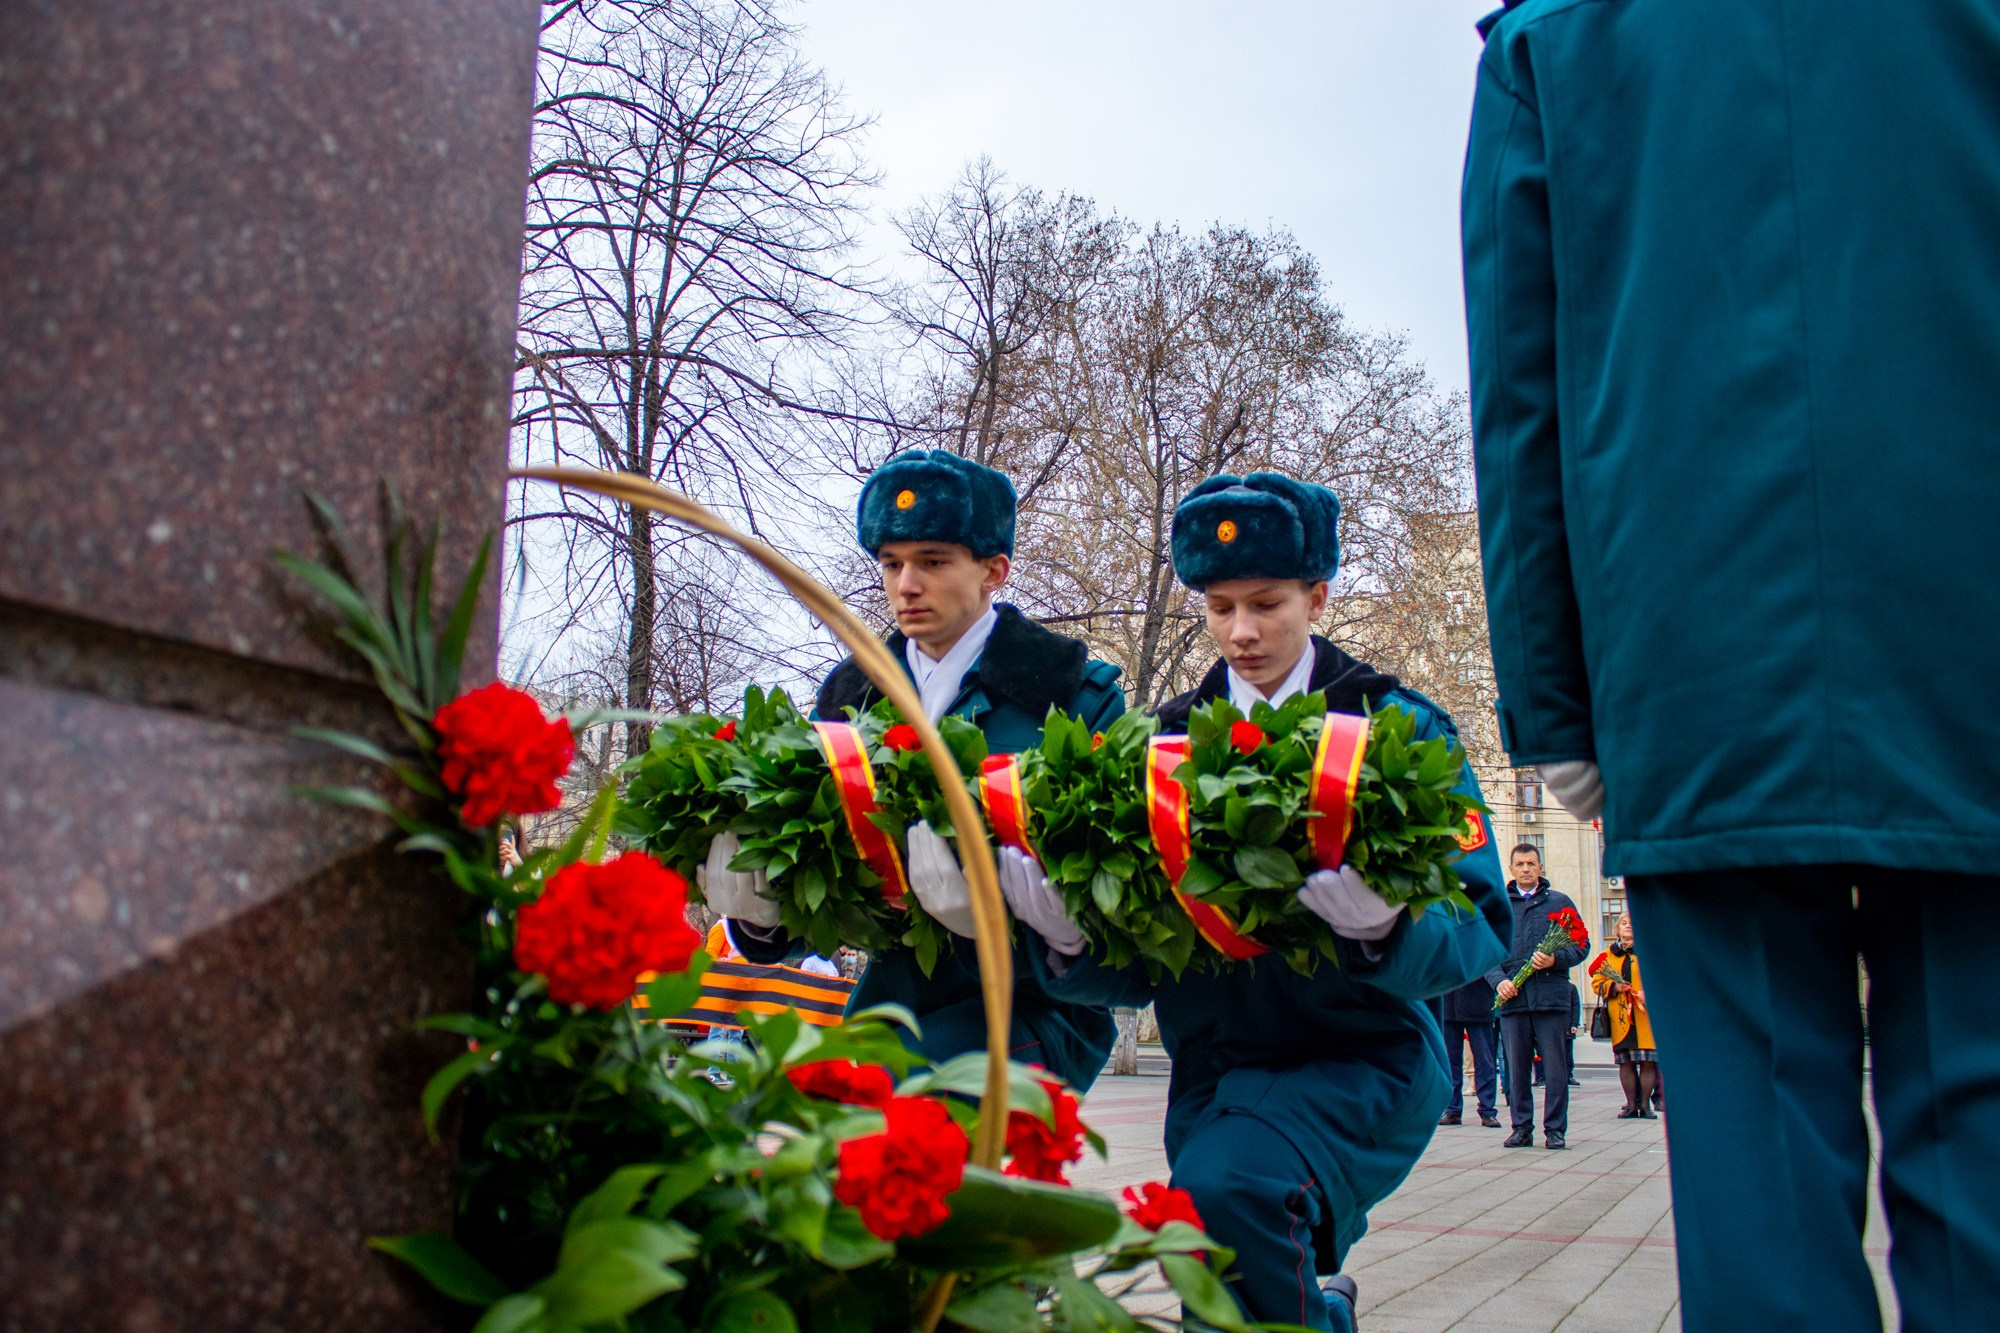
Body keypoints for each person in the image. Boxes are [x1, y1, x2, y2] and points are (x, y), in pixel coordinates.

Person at [1462, 3, 2000, 1323]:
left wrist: (1557, 696)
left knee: (1755, 1165)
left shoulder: (1558, 38)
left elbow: (1520, 403)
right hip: (1967, 619)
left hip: (1698, 654)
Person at [999, 472, 1510, 1331]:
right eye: (1219, 604)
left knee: (1231, 1193)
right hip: (1217, 1065)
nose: (1240, 631)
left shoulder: (1395, 725)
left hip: (1362, 1056)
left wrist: (1392, 930)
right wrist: (1072, 942)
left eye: (1266, 602)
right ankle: (1324, 1307)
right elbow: (1143, 962)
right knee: (1219, 1286)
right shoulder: (1156, 744)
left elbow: (1482, 916)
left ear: (1317, 594)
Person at [706, 449, 1125, 1095]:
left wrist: (1038, 924)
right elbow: (822, 891)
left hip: (1033, 1011)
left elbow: (1115, 906)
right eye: (891, 563)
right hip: (892, 1003)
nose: (905, 584)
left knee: (903, 1131)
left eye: (932, 561)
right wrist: (762, 917)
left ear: (994, 569)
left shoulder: (1070, 692)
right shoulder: (848, 699)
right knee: (804, 1150)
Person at [1494, 844, 1587, 1148]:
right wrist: (1499, 982)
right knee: (1517, 1069)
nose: (1525, 869)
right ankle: (1521, 1128)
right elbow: (1486, 951)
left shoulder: (1560, 902)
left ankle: (1555, 1130)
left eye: (1531, 864)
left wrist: (1556, 959)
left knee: (1556, 1069)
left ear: (1540, 867)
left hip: (1551, 999)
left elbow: (1580, 945)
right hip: (1514, 1000)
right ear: (1511, 868)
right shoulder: (1499, 906)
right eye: (1520, 864)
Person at [1590, 915, 1656, 1120]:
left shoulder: (1650, 952)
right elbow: (1596, 983)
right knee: (1625, 1062)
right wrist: (1614, 986)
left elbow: (1663, 976)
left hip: (1645, 1014)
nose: (1629, 925)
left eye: (1633, 922)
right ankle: (1630, 1105)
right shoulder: (1608, 955)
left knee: (1648, 1062)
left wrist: (1649, 992)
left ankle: (1645, 1106)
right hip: (1621, 1016)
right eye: (1624, 923)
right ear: (1617, 929)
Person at [1436, 975, 1502, 1128]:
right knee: (1449, 1062)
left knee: (1484, 1060)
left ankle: (1488, 1111)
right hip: (1448, 1003)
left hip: (1478, 1002)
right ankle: (1452, 1110)